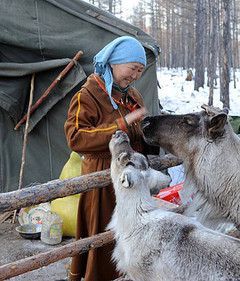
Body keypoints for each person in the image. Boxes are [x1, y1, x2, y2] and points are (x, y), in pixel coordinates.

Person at [64, 36, 158, 281]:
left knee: (131, 236)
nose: (136, 75)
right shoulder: (88, 94)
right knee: (104, 234)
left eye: (140, 70)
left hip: (132, 178)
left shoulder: (132, 95)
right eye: (132, 68)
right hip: (103, 178)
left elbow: (139, 132)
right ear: (115, 63)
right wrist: (120, 125)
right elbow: (76, 137)